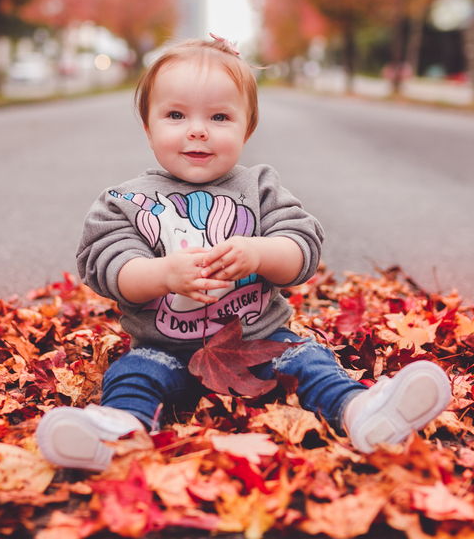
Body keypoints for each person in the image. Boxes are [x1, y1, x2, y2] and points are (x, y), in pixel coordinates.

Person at [35, 35, 451, 471]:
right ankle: (117, 431)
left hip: (262, 343)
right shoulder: (125, 201)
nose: (198, 129)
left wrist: (259, 253)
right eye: (176, 115)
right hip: (164, 349)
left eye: (219, 116)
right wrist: (162, 275)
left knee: (310, 361)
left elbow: (302, 250)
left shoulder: (259, 188)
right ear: (148, 126)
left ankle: (362, 412)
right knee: (132, 374)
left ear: (246, 128)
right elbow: (105, 265)